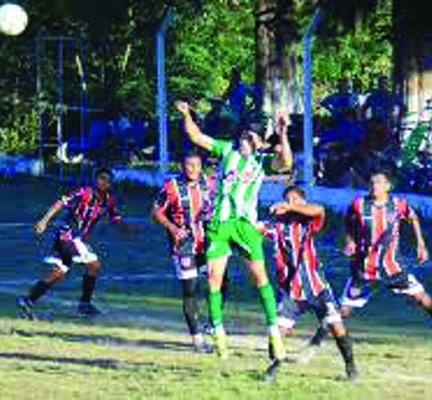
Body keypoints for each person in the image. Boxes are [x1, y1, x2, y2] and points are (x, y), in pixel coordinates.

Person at [175, 99, 292, 379]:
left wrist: (283, 133)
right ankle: (218, 331)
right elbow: (195, 136)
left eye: (250, 136)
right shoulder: (226, 150)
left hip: (245, 227)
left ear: (259, 143)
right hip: (219, 225)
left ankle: (274, 330)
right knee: (214, 280)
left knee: (260, 279)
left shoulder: (262, 162)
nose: (244, 138)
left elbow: (286, 162)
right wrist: (187, 114)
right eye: (243, 135)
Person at [264, 186, 358, 380]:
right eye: (288, 199)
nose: (291, 202)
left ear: (302, 202)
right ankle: (275, 366)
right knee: (276, 335)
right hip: (292, 290)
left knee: (336, 326)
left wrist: (290, 207)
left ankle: (350, 366)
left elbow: (319, 210)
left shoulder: (309, 220)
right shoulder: (277, 224)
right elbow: (256, 228)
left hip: (317, 287)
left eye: (295, 199)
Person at [17, 168, 133, 317]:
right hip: (69, 236)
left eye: (108, 180)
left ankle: (28, 299)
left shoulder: (108, 200)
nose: (105, 182)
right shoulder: (84, 193)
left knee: (58, 272)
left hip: (74, 239)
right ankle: (85, 305)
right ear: (96, 180)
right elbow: (60, 203)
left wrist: (125, 227)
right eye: (102, 178)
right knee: (94, 264)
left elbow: (115, 218)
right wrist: (44, 221)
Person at [340, 171, 432, 319]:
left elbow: (413, 217)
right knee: (344, 310)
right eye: (371, 182)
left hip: (393, 267)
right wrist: (349, 240)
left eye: (379, 182)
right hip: (364, 267)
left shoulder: (398, 204)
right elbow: (347, 220)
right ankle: (323, 339)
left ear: (388, 186)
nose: (374, 185)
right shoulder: (359, 204)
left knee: (421, 298)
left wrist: (421, 244)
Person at [152, 151, 219, 353]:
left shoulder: (209, 183)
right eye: (188, 165)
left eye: (196, 165)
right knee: (190, 290)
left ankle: (212, 322)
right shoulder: (171, 187)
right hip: (184, 246)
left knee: (219, 282)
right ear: (181, 167)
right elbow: (155, 211)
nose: (193, 169)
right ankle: (197, 337)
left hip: (207, 243)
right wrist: (173, 229)